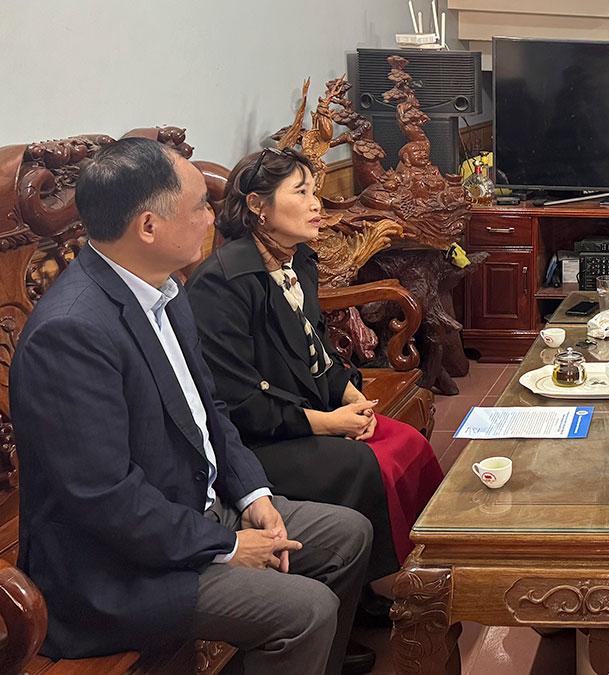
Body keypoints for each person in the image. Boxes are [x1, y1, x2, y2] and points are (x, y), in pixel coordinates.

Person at [10, 137, 373, 675]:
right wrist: (225, 545)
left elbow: (211, 411)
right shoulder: (71, 333)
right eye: (200, 206)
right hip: (119, 569)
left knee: (348, 534)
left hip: (195, 510)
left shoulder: (166, 293)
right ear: (149, 227)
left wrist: (254, 494)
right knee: (306, 609)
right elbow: (105, 497)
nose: (211, 219)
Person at [186, 147, 444, 609]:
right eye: (301, 193)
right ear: (257, 206)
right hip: (256, 440)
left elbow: (317, 346)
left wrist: (348, 394)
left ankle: (426, 560)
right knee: (359, 464)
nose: (316, 205)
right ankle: (373, 595)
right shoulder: (222, 282)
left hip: (308, 411)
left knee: (408, 442)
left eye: (316, 192)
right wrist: (330, 424)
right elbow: (238, 402)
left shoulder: (297, 259)